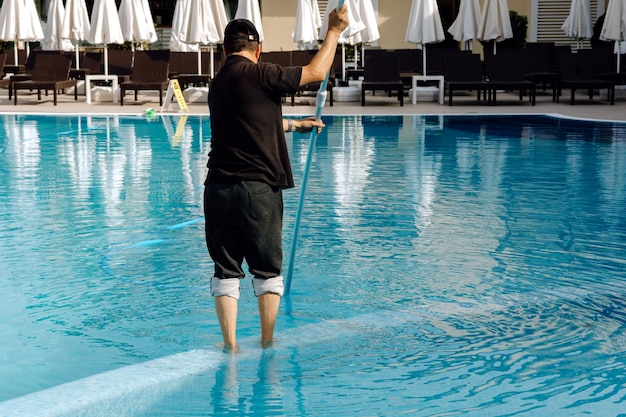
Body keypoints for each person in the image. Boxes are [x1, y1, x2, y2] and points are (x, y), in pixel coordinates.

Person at [204, 6, 349, 350]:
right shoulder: (261, 73)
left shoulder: (217, 83)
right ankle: (267, 344)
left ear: (224, 50)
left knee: (226, 272)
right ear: (257, 50)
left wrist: (294, 125)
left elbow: (249, 123)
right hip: (258, 190)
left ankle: (230, 346)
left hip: (218, 190)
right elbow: (315, 71)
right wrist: (334, 32)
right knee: (267, 271)